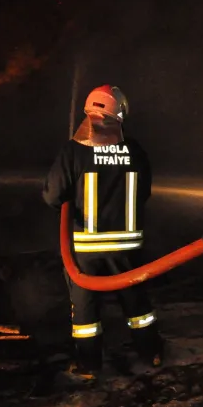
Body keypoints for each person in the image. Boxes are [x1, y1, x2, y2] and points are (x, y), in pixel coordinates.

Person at [43, 85, 161, 378]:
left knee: (85, 309)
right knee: (137, 304)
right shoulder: (135, 150)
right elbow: (144, 192)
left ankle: (89, 365)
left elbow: (53, 195)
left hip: (85, 249)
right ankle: (151, 353)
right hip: (127, 247)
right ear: (119, 115)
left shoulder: (73, 151)